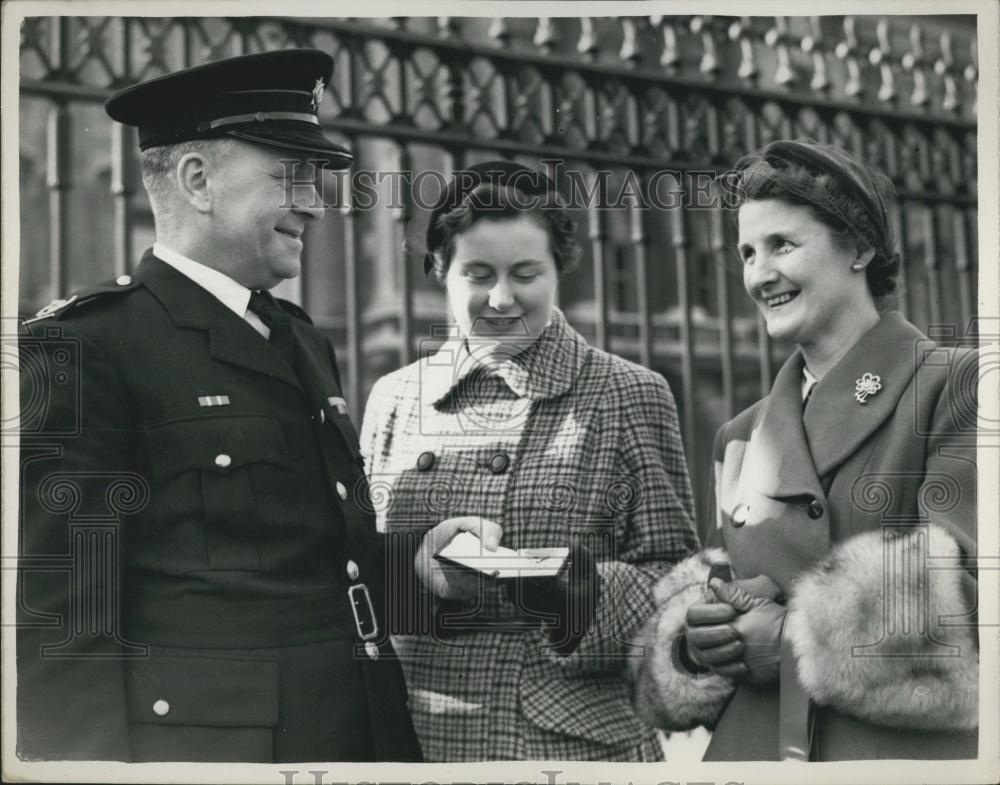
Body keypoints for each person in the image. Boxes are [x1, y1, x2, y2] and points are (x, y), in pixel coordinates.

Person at [17, 49, 421, 763]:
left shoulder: (296, 338)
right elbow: (64, 625)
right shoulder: (86, 349)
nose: (315, 201)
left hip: (355, 739)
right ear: (198, 181)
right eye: (290, 177)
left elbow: (316, 564)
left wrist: (425, 564)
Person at [631, 139, 979, 760]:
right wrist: (696, 643)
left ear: (860, 247)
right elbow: (727, 590)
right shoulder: (739, 436)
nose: (759, 275)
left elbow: (978, 596)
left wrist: (797, 640)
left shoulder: (956, 385)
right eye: (746, 253)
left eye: (782, 246)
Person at [359, 161, 700, 761]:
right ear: (442, 271)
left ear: (558, 272)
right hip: (416, 735)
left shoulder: (627, 392)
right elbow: (356, 573)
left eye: (525, 274)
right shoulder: (393, 397)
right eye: (477, 274)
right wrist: (423, 572)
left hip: (567, 746)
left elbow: (676, 580)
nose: (500, 298)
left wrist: (574, 594)